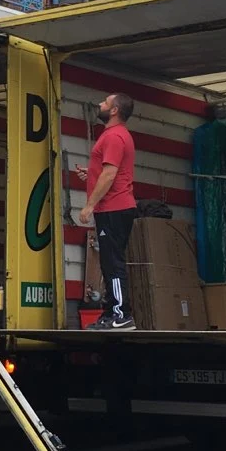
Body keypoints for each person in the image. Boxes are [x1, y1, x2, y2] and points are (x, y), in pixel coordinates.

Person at [78, 92, 138, 330]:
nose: (99, 104)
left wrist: (89, 205)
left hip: (113, 208)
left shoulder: (114, 136)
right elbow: (107, 171)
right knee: (108, 263)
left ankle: (120, 314)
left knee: (112, 263)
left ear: (114, 111)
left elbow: (110, 173)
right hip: (114, 208)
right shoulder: (115, 135)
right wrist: (90, 174)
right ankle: (111, 312)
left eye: (104, 102)